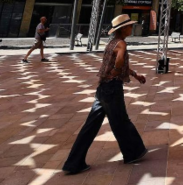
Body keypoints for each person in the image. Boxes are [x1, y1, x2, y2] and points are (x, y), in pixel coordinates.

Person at [63, 14, 147, 175]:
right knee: (121, 122)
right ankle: (133, 152)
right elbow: (120, 61)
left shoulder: (111, 43)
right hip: (112, 88)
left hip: (102, 88)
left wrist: (135, 75)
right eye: (129, 26)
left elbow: (119, 64)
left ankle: (74, 162)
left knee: (91, 126)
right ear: (123, 29)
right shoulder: (121, 43)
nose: (131, 28)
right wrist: (115, 73)